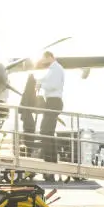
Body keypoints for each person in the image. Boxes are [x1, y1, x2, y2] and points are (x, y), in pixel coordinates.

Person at [36, 51, 64, 181]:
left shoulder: (56, 69)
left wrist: (41, 84)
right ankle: (52, 161)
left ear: (50, 57)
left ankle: (50, 161)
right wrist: (38, 80)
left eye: (44, 58)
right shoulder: (53, 69)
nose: (43, 61)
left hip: (54, 101)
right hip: (52, 102)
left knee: (45, 131)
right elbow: (48, 81)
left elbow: (54, 85)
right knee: (48, 132)